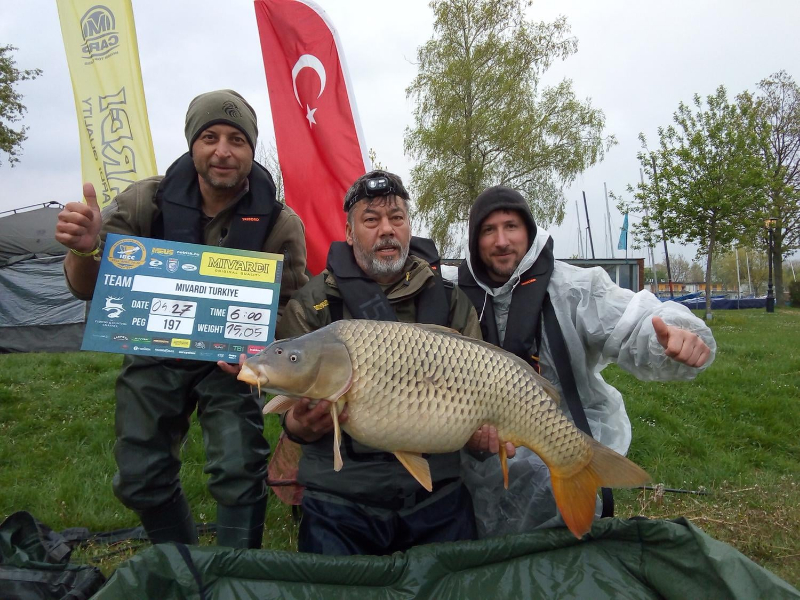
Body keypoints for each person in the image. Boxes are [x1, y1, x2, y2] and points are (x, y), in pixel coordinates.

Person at [54, 89, 308, 548]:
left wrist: (259, 350)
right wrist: (86, 249)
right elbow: (85, 286)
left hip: (228, 364)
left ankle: (234, 571)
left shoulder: (279, 222)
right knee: (139, 477)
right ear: (192, 144)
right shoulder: (144, 201)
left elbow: (290, 312)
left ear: (251, 149)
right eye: (210, 137)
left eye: (237, 140)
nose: (223, 151)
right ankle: (184, 566)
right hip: (153, 354)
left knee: (239, 467)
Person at [457, 185, 716, 538]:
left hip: (566, 438)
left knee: (562, 540)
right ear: (475, 241)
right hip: (477, 449)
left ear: (528, 231)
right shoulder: (453, 292)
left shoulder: (574, 287)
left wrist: (672, 334)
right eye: (489, 230)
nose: (501, 241)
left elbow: (633, 319)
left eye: (511, 226)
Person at [275, 170, 487, 556]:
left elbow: (483, 402)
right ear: (349, 232)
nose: (386, 229)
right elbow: (285, 409)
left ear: (409, 227)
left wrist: (484, 439)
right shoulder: (312, 303)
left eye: (397, 218)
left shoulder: (450, 299)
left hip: (436, 492)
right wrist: (297, 425)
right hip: (340, 497)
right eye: (371, 220)